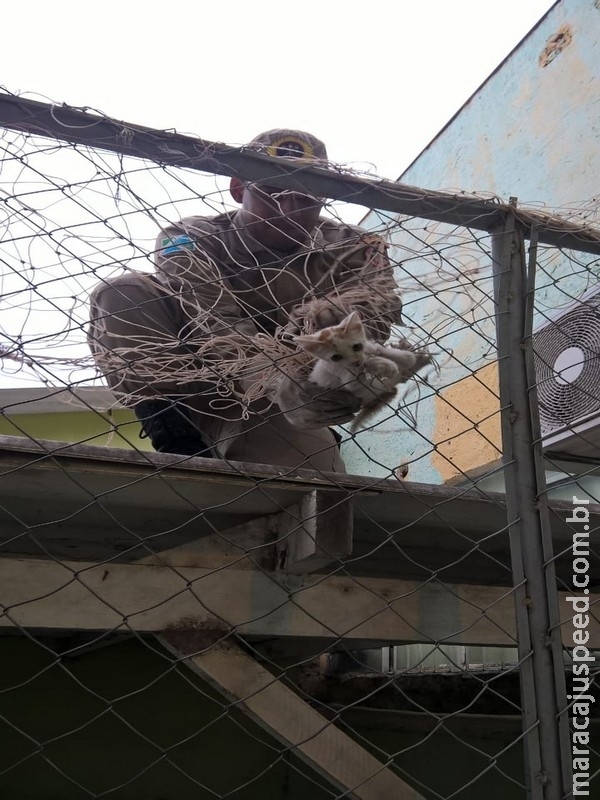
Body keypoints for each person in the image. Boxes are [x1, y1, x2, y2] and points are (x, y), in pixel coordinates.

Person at [88, 129, 401, 472]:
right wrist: (276, 380)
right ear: (239, 189)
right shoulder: (188, 238)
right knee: (122, 291)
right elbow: (215, 318)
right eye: (271, 191)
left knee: (320, 488)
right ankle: (176, 442)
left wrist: (321, 379)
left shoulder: (356, 247)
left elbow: (374, 320)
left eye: (306, 195)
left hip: (295, 394)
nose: (289, 208)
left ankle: (309, 432)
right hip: (197, 382)